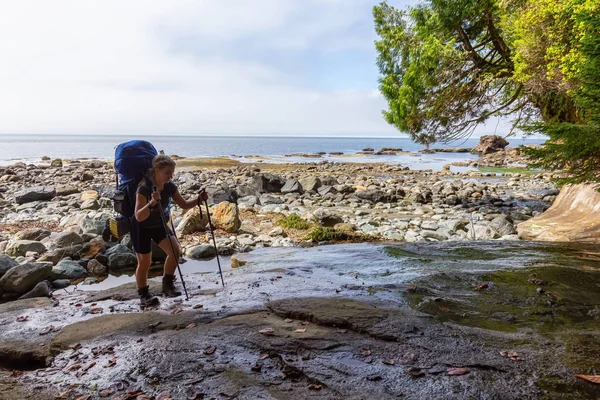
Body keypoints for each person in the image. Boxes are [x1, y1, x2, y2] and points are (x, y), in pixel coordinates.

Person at [132, 154, 208, 306]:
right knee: (145, 262)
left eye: (172, 173)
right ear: (157, 170)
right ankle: (144, 295)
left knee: (175, 251)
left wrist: (199, 200)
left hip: (159, 223)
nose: (170, 176)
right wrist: (152, 203)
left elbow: (184, 205)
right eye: (167, 173)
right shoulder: (144, 188)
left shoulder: (169, 186)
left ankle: (167, 285)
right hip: (141, 227)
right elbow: (139, 216)